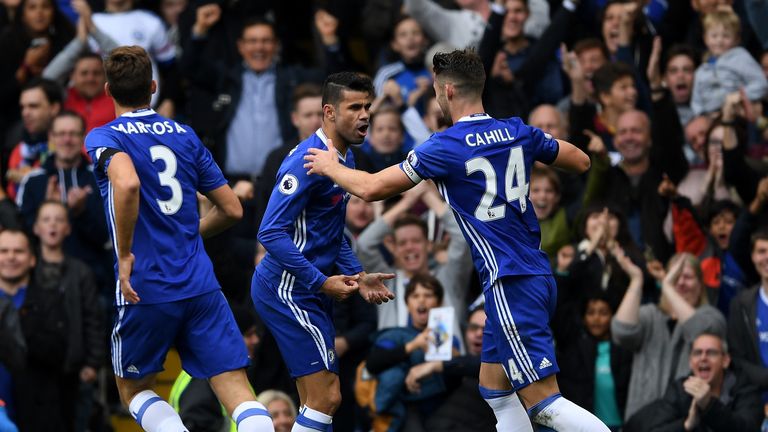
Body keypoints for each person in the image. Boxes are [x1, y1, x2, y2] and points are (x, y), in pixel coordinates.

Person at [304, 49, 605, 431]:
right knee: (495, 389)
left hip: (509, 281)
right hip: (533, 274)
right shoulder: (517, 130)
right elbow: (580, 161)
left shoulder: (445, 146)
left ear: (446, 91)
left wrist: (330, 166)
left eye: (433, 89)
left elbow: (372, 188)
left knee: (544, 402)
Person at [84, 46, 273, 432]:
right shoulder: (185, 136)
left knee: (133, 389)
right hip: (200, 284)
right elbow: (233, 209)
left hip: (146, 285)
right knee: (237, 390)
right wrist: (188, 235)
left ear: (107, 90)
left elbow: (127, 182)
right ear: (153, 86)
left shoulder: (104, 136)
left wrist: (123, 255)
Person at [252, 71, 396, 432]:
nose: (365, 115)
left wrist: (360, 276)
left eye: (368, 107)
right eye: (354, 108)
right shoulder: (308, 162)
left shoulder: (341, 160)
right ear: (329, 113)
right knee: (327, 397)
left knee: (316, 400)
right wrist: (319, 282)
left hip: (307, 288)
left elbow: (332, 234)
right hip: (287, 289)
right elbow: (269, 232)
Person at [624, 333, 763, 431]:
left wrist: (709, 405)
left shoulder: (745, 389)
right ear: (690, 362)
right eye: (697, 353)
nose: (703, 358)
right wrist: (687, 425)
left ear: (725, 361)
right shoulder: (680, 389)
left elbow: (748, 428)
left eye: (711, 352)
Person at [691, 9, 768, 115]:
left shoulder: (740, 57)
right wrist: (701, 117)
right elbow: (696, 101)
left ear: (737, 39)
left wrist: (740, 95)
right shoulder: (701, 70)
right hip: (709, 118)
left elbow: (761, 84)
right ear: (705, 39)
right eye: (714, 36)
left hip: (737, 113)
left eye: (726, 36)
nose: (719, 40)